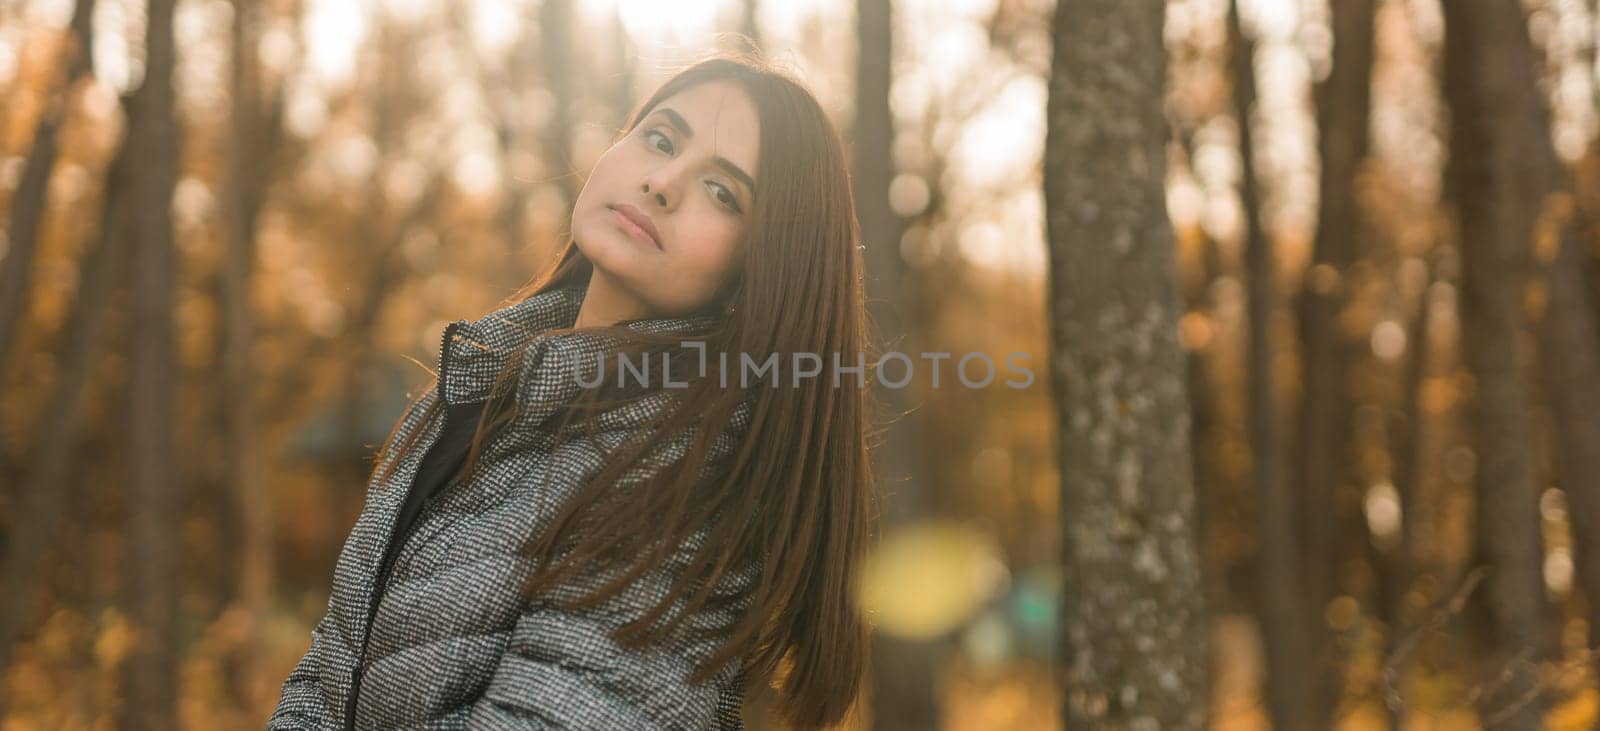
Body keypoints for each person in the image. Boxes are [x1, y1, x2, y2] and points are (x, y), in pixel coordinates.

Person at [267, 50, 877, 730]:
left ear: (763, 269)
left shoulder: (688, 480)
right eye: (660, 138)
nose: (664, 182)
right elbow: (333, 661)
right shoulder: (476, 383)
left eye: (724, 192)